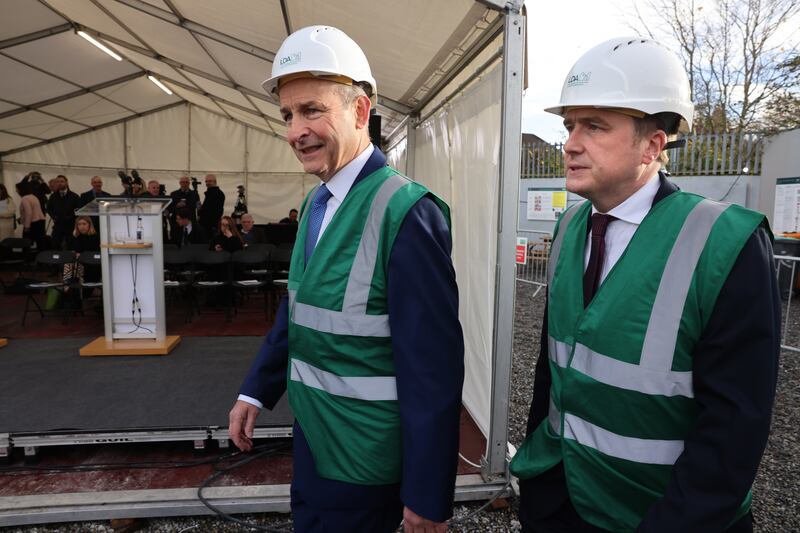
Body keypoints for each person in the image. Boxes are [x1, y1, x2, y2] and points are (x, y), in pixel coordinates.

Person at [510, 37, 780, 533]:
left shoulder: (724, 243)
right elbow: (554, 374)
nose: (570, 143)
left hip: (658, 514)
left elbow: (734, 426)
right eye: (570, 125)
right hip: (559, 501)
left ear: (653, 143)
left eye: (595, 126)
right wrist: (538, 485)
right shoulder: (569, 228)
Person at [227, 25, 464, 533]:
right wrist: (255, 391)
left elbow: (433, 369)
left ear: (360, 112)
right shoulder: (317, 202)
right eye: (288, 115)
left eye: (312, 110)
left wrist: (427, 494)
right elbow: (300, 307)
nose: (295, 131)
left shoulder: (408, 212)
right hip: (315, 440)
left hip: (365, 459)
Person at [46, 175, 81, 250]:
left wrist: (69, 217)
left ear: (66, 183)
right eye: (58, 182)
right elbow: (48, 208)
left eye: (62, 181)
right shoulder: (53, 196)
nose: (60, 183)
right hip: (57, 226)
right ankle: (56, 261)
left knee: (71, 246)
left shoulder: (74, 196)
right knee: (55, 245)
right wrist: (54, 217)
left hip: (70, 226)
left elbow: (78, 210)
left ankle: (71, 261)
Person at [16, 181, 47, 250]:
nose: (16, 191)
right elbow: (34, 211)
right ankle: (42, 258)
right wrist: (21, 219)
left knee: (26, 243)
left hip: (32, 223)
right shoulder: (33, 196)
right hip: (40, 222)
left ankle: (26, 259)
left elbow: (29, 212)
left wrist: (27, 226)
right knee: (40, 242)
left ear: (21, 190)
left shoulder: (25, 199)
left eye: (17, 189)